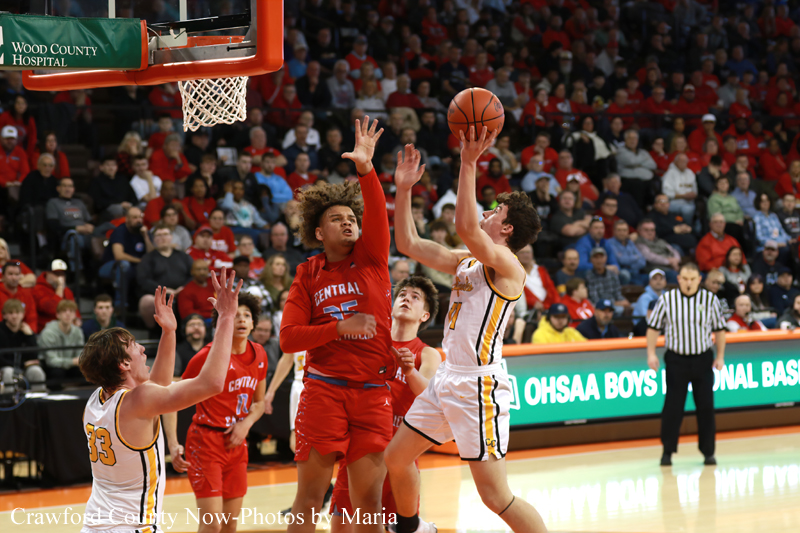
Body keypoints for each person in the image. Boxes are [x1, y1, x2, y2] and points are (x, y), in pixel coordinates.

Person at [386, 127, 547, 533]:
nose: (487, 213)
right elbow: (408, 244)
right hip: (447, 377)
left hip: (479, 386)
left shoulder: (510, 267)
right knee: (396, 458)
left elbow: (467, 228)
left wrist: (468, 162)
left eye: (495, 212)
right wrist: (403, 190)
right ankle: (414, 528)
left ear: (507, 230)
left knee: (496, 498)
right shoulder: (467, 261)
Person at [278, 117, 398, 533]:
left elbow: (377, 211)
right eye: (336, 219)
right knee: (308, 502)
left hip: (373, 393)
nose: (348, 222)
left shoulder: (372, 258)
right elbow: (288, 339)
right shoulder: (307, 274)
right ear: (318, 231)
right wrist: (338, 328)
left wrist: (366, 168)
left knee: (368, 506)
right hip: (324, 391)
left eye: (351, 217)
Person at [78, 275, 241, 533]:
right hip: (132, 526)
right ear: (124, 364)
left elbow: (158, 387)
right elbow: (211, 383)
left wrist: (169, 332)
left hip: (94, 525)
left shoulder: (95, 400)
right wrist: (227, 317)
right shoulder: (138, 401)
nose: (143, 349)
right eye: (134, 346)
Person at [327, 276, 442, 529]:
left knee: (396, 527)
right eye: (402, 295)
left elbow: (429, 396)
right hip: (361, 447)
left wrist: (410, 372)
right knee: (341, 526)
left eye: (415, 297)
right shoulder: (368, 343)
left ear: (424, 316)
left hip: (399, 452)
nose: (406, 299)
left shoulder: (427, 353)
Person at [165, 293, 267, 533]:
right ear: (224, 321)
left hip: (236, 444)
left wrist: (246, 424)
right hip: (206, 442)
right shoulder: (206, 356)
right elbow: (170, 398)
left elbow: (260, 403)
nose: (241, 320)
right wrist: (172, 443)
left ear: (253, 323)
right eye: (236, 315)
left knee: (230, 525)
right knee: (212, 525)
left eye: (247, 315)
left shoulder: (260, 353)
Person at [647, 262, 726, 466]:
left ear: (699, 280)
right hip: (677, 359)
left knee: (706, 406)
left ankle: (708, 452)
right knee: (672, 407)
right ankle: (667, 451)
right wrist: (651, 353)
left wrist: (720, 356)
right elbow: (653, 328)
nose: (688, 283)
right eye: (685, 279)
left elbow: (719, 330)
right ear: (678, 279)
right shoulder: (667, 300)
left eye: (692, 279)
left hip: (702, 358)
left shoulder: (710, 299)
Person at [137, 225, 194, 329]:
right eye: (158, 235)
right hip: (158, 295)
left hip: (183, 292)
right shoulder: (148, 258)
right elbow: (143, 280)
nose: (162, 237)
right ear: (154, 239)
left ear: (171, 237)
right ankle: (153, 331)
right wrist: (165, 290)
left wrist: (182, 289)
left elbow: (193, 275)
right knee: (146, 301)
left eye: (165, 234)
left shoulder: (184, 256)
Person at [38, 300, 84, 384]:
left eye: (71, 311)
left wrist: (76, 361)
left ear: (75, 315)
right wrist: (72, 362)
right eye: (64, 311)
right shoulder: (48, 332)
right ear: (57, 315)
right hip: (52, 367)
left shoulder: (78, 331)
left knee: (86, 373)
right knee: (57, 373)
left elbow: (80, 356)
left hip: (71, 366)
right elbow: (51, 361)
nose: (68, 314)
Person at [0, 299, 42, 389]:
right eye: (11, 313)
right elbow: (1, 360)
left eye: (17, 312)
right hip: (5, 367)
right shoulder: (1, 331)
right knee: (8, 372)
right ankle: (8, 397)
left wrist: (30, 336)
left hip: (24, 368)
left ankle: (39, 397)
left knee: (36, 371)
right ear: (4, 315)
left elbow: (34, 356)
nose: (14, 316)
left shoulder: (26, 331)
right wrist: (23, 364)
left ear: (23, 314)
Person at [32, 259, 80, 332]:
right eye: (57, 274)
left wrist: (77, 319)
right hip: (45, 331)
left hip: (66, 331)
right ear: (47, 273)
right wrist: (59, 287)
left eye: (62, 274)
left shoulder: (67, 291)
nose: (60, 278)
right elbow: (52, 309)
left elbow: (74, 309)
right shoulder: (38, 289)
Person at [90, 156, 138, 221]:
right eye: (108, 165)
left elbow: (133, 197)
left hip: (126, 207)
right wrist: (120, 204)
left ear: (117, 167)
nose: (111, 168)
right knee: (118, 209)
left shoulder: (122, 179)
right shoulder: (97, 181)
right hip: (107, 209)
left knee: (141, 207)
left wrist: (130, 204)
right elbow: (98, 202)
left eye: (113, 165)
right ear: (101, 167)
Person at [584, 247, 629, 314]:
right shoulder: (588, 276)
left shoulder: (612, 274)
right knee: (619, 309)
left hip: (614, 304)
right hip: (599, 307)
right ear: (591, 260)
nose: (599, 260)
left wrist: (623, 301)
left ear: (606, 258)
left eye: (601, 257)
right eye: (596, 257)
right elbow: (594, 299)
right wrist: (614, 303)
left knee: (633, 306)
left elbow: (617, 294)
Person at [605, 220, 647, 285]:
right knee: (626, 275)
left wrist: (630, 266)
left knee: (649, 277)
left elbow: (643, 261)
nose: (622, 233)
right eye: (619, 230)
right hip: (621, 274)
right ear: (614, 231)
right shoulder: (609, 243)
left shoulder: (630, 243)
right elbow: (621, 260)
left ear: (628, 231)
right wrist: (636, 257)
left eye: (624, 230)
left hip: (635, 273)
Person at [0, 261, 37, 332]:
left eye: (17, 274)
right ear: (3, 276)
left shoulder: (26, 293)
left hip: (22, 333)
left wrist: (31, 332)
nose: (14, 278)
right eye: (10, 274)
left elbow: (32, 318)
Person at [661, 153, 698, 223]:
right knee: (688, 210)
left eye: (685, 161)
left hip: (690, 201)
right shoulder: (669, 174)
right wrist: (683, 196)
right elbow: (666, 194)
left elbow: (695, 191)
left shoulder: (690, 173)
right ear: (675, 162)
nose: (684, 163)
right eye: (681, 161)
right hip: (674, 202)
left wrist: (693, 195)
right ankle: (687, 225)